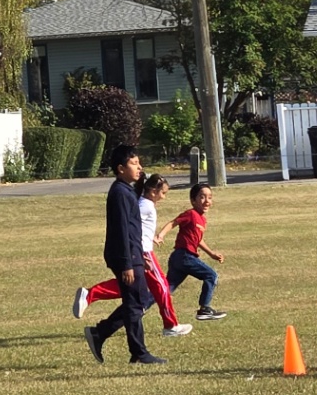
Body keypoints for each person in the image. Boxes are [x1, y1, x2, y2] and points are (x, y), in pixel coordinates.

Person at [72, 174, 190, 337]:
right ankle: (170, 325)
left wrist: (153, 237)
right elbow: (131, 225)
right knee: (162, 286)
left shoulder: (145, 202)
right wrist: (141, 253)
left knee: (131, 287)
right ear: (154, 191)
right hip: (144, 253)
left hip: (141, 250)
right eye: (164, 193)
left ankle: (91, 294)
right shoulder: (146, 205)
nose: (164, 197)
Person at [84, 146, 166, 366]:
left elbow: (133, 229)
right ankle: (138, 352)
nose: (139, 167)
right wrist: (127, 264)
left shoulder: (127, 190)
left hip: (133, 254)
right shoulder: (120, 192)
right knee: (134, 303)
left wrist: (143, 255)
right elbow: (121, 230)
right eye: (133, 164)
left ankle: (100, 333)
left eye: (139, 163)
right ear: (120, 169)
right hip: (125, 257)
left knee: (138, 300)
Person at [162, 184, 228, 322]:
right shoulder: (190, 214)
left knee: (165, 290)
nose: (207, 201)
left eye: (210, 197)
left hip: (180, 258)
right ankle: (204, 309)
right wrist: (160, 235)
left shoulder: (202, 219)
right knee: (211, 275)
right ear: (193, 200)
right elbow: (173, 223)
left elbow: (198, 239)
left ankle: (139, 307)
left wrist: (211, 254)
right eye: (202, 197)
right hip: (184, 256)